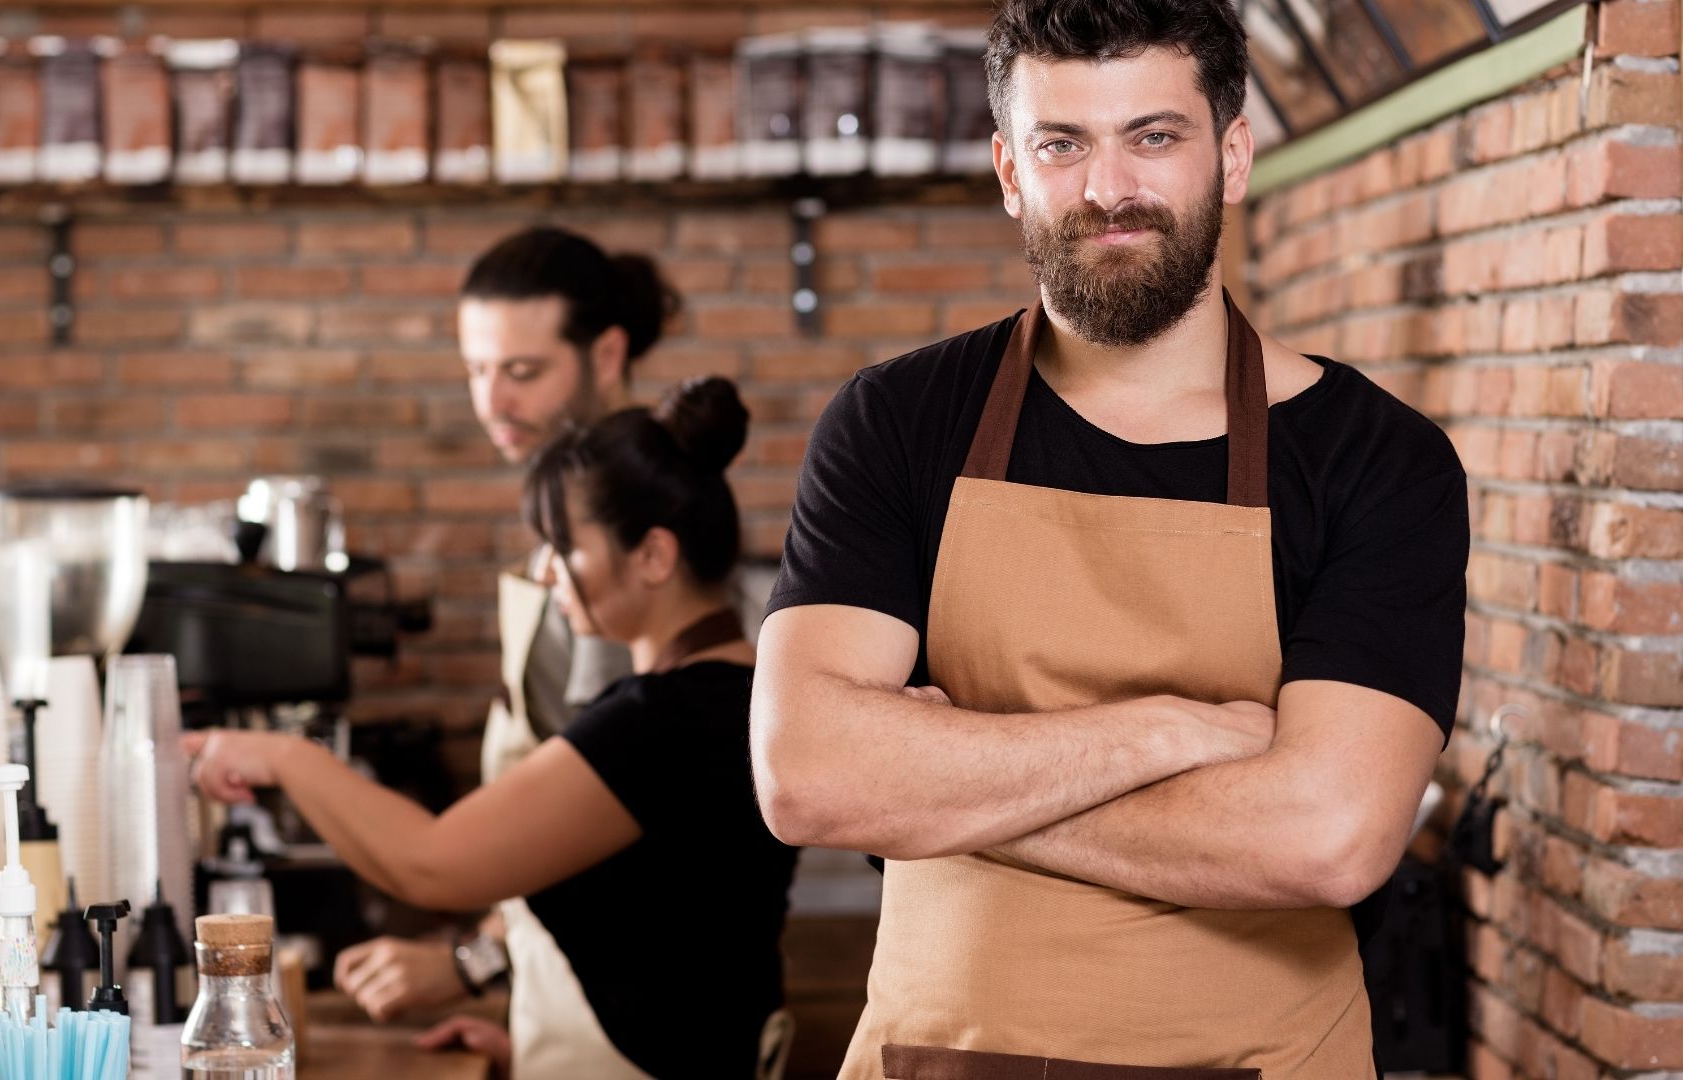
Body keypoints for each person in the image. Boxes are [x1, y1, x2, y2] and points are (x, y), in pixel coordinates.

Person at [750, 2, 1469, 1077]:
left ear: (1230, 156)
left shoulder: (1379, 460)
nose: (1107, 190)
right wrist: (1168, 733)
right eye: (1061, 144)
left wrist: (947, 787)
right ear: (1008, 170)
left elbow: (1330, 839)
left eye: (1154, 136)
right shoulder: (900, 421)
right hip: (938, 1057)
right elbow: (807, 778)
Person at [188, 377, 800, 1080]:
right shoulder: (733, 695)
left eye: (563, 545)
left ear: (654, 557)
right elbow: (674, 941)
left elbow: (431, 862)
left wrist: (283, 758)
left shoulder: (667, 720)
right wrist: (534, 1049)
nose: (545, 572)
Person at [333, 226, 673, 1020]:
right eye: (477, 370)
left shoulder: (625, 538)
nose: (492, 401)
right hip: (567, 994)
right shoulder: (568, 517)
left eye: (522, 372)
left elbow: (601, 818)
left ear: (608, 355)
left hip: (635, 1011)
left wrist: (473, 959)